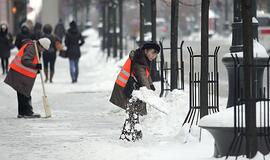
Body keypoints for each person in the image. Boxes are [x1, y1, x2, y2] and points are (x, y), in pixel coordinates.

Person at [110, 41, 160, 141]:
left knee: (133, 112)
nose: (154, 56)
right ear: (146, 51)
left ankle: (130, 135)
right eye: (153, 52)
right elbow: (141, 75)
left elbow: (146, 74)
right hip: (127, 88)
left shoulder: (142, 58)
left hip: (130, 88)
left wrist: (150, 84)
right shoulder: (140, 60)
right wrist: (148, 90)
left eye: (156, 54)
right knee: (132, 111)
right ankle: (130, 135)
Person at [4, 38, 51, 118]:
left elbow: (32, 61)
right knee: (25, 93)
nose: (43, 51)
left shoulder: (35, 48)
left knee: (22, 93)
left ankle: (22, 113)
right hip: (20, 73)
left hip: (21, 73)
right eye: (43, 49)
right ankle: (27, 113)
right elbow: (25, 60)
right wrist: (35, 66)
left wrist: (37, 69)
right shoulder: (32, 48)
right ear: (41, 45)